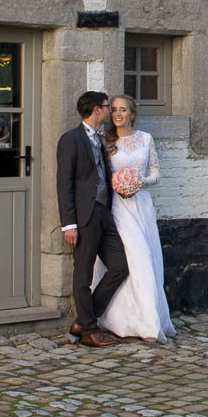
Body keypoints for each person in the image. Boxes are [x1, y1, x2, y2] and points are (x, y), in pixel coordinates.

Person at [92, 94, 176, 343]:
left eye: (123, 110)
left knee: (147, 258)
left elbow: (156, 174)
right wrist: (116, 184)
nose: (117, 114)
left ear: (132, 113)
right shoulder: (105, 140)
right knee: (133, 257)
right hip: (117, 208)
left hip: (141, 205)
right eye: (114, 109)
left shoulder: (145, 139)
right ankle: (118, 319)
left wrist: (139, 182)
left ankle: (148, 321)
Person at [56, 91, 127, 348]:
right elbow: (64, 183)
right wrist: (69, 224)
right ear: (97, 110)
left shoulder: (100, 137)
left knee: (120, 267)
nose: (110, 111)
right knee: (83, 275)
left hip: (104, 212)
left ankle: (84, 319)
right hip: (84, 216)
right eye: (107, 107)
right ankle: (88, 331)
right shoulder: (71, 139)